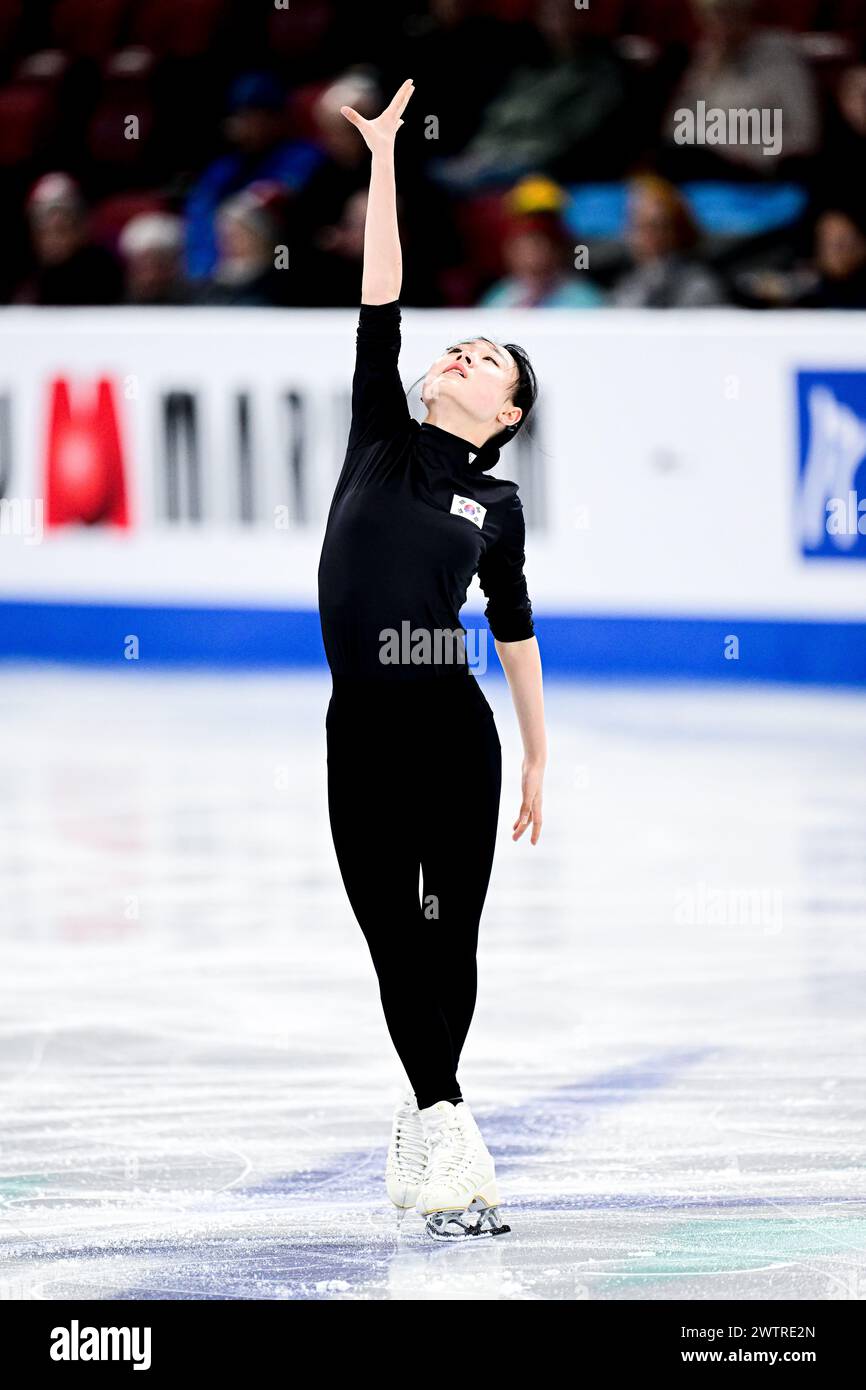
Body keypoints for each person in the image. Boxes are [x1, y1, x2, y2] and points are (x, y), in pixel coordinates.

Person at [316, 80, 547, 1239]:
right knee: (385, 929)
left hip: (455, 736)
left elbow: (512, 626)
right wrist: (384, 162)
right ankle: (432, 1114)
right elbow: (382, 299)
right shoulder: (380, 437)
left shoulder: (495, 506)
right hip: (360, 729)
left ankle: (443, 1126)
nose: (457, 354)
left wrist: (541, 761)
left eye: (482, 359)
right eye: (456, 346)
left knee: (441, 934)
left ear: (502, 415)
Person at [612, 174, 727, 308]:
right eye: (637, 226)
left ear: (678, 231)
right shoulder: (628, 284)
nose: (646, 236)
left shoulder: (700, 288)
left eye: (656, 226)